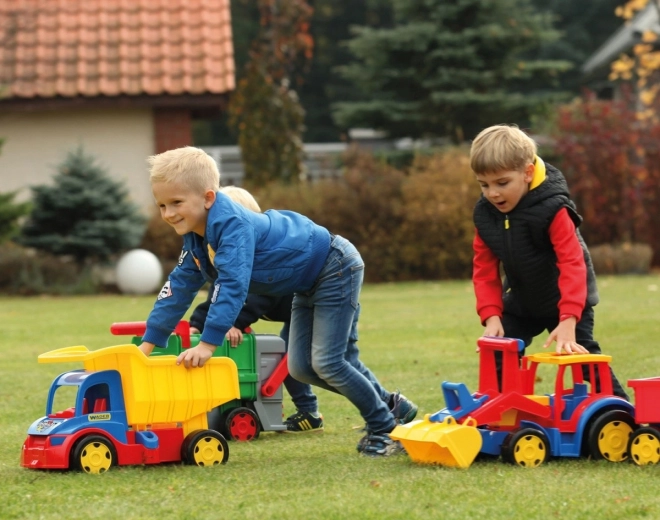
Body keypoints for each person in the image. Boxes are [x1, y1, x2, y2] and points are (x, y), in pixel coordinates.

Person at [138, 147, 418, 456]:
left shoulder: (232, 227)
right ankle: (394, 406)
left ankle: (385, 429)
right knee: (300, 367)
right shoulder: (196, 238)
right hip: (307, 282)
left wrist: (207, 344)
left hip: (334, 265)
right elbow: (178, 286)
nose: (168, 213)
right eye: (161, 205)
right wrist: (147, 346)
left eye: (176, 203)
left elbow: (232, 284)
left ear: (207, 198)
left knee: (328, 362)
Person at [470, 124, 628, 399]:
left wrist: (568, 319)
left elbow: (572, 262)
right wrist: (492, 317)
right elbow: (484, 270)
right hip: (523, 300)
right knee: (497, 348)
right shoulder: (486, 215)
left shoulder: (553, 208)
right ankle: (499, 413)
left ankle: (621, 411)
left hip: (566, 301)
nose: (492, 193)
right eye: (484, 185)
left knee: (583, 358)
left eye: (502, 183)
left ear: (527, 173)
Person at [189, 186, 323, 433]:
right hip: (290, 310)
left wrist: (234, 323)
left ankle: (309, 411)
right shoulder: (227, 259)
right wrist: (197, 322)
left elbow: (255, 298)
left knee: (291, 357)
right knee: (285, 354)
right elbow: (218, 296)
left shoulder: (260, 263)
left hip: (308, 305)